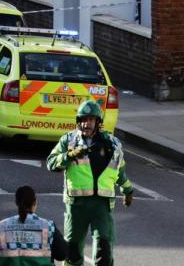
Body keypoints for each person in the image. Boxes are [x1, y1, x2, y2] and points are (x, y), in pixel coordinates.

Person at [46, 100, 134, 266]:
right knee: (72, 253)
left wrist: (128, 190)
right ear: (79, 121)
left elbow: (119, 170)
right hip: (76, 205)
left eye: (91, 120)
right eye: (84, 120)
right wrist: (69, 156)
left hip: (102, 205)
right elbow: (50, 163)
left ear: (98, 122)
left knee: (104, 251)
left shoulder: (112, 144)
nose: (87, 124)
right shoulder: (68, 141)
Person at [0, 185, 68, 265]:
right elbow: (62, 255)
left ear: (16, 203)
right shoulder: (48, 226)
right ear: (35, 203)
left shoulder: (1, 227)